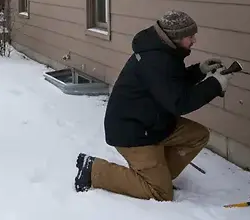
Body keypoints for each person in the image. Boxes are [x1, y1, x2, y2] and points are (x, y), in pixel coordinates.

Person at [74, 10, 230, 201]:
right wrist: (215, 85)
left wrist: (199, 71)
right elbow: (178, 102)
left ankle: (158, 176)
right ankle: (94, 170)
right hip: (134, 132)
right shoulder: (156, 61)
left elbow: (171, 84)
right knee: (161, 193)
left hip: (153, 123)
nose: (194, 40)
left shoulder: (165, 52)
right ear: (176, 37)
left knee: (197, 136)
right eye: (190, 36)